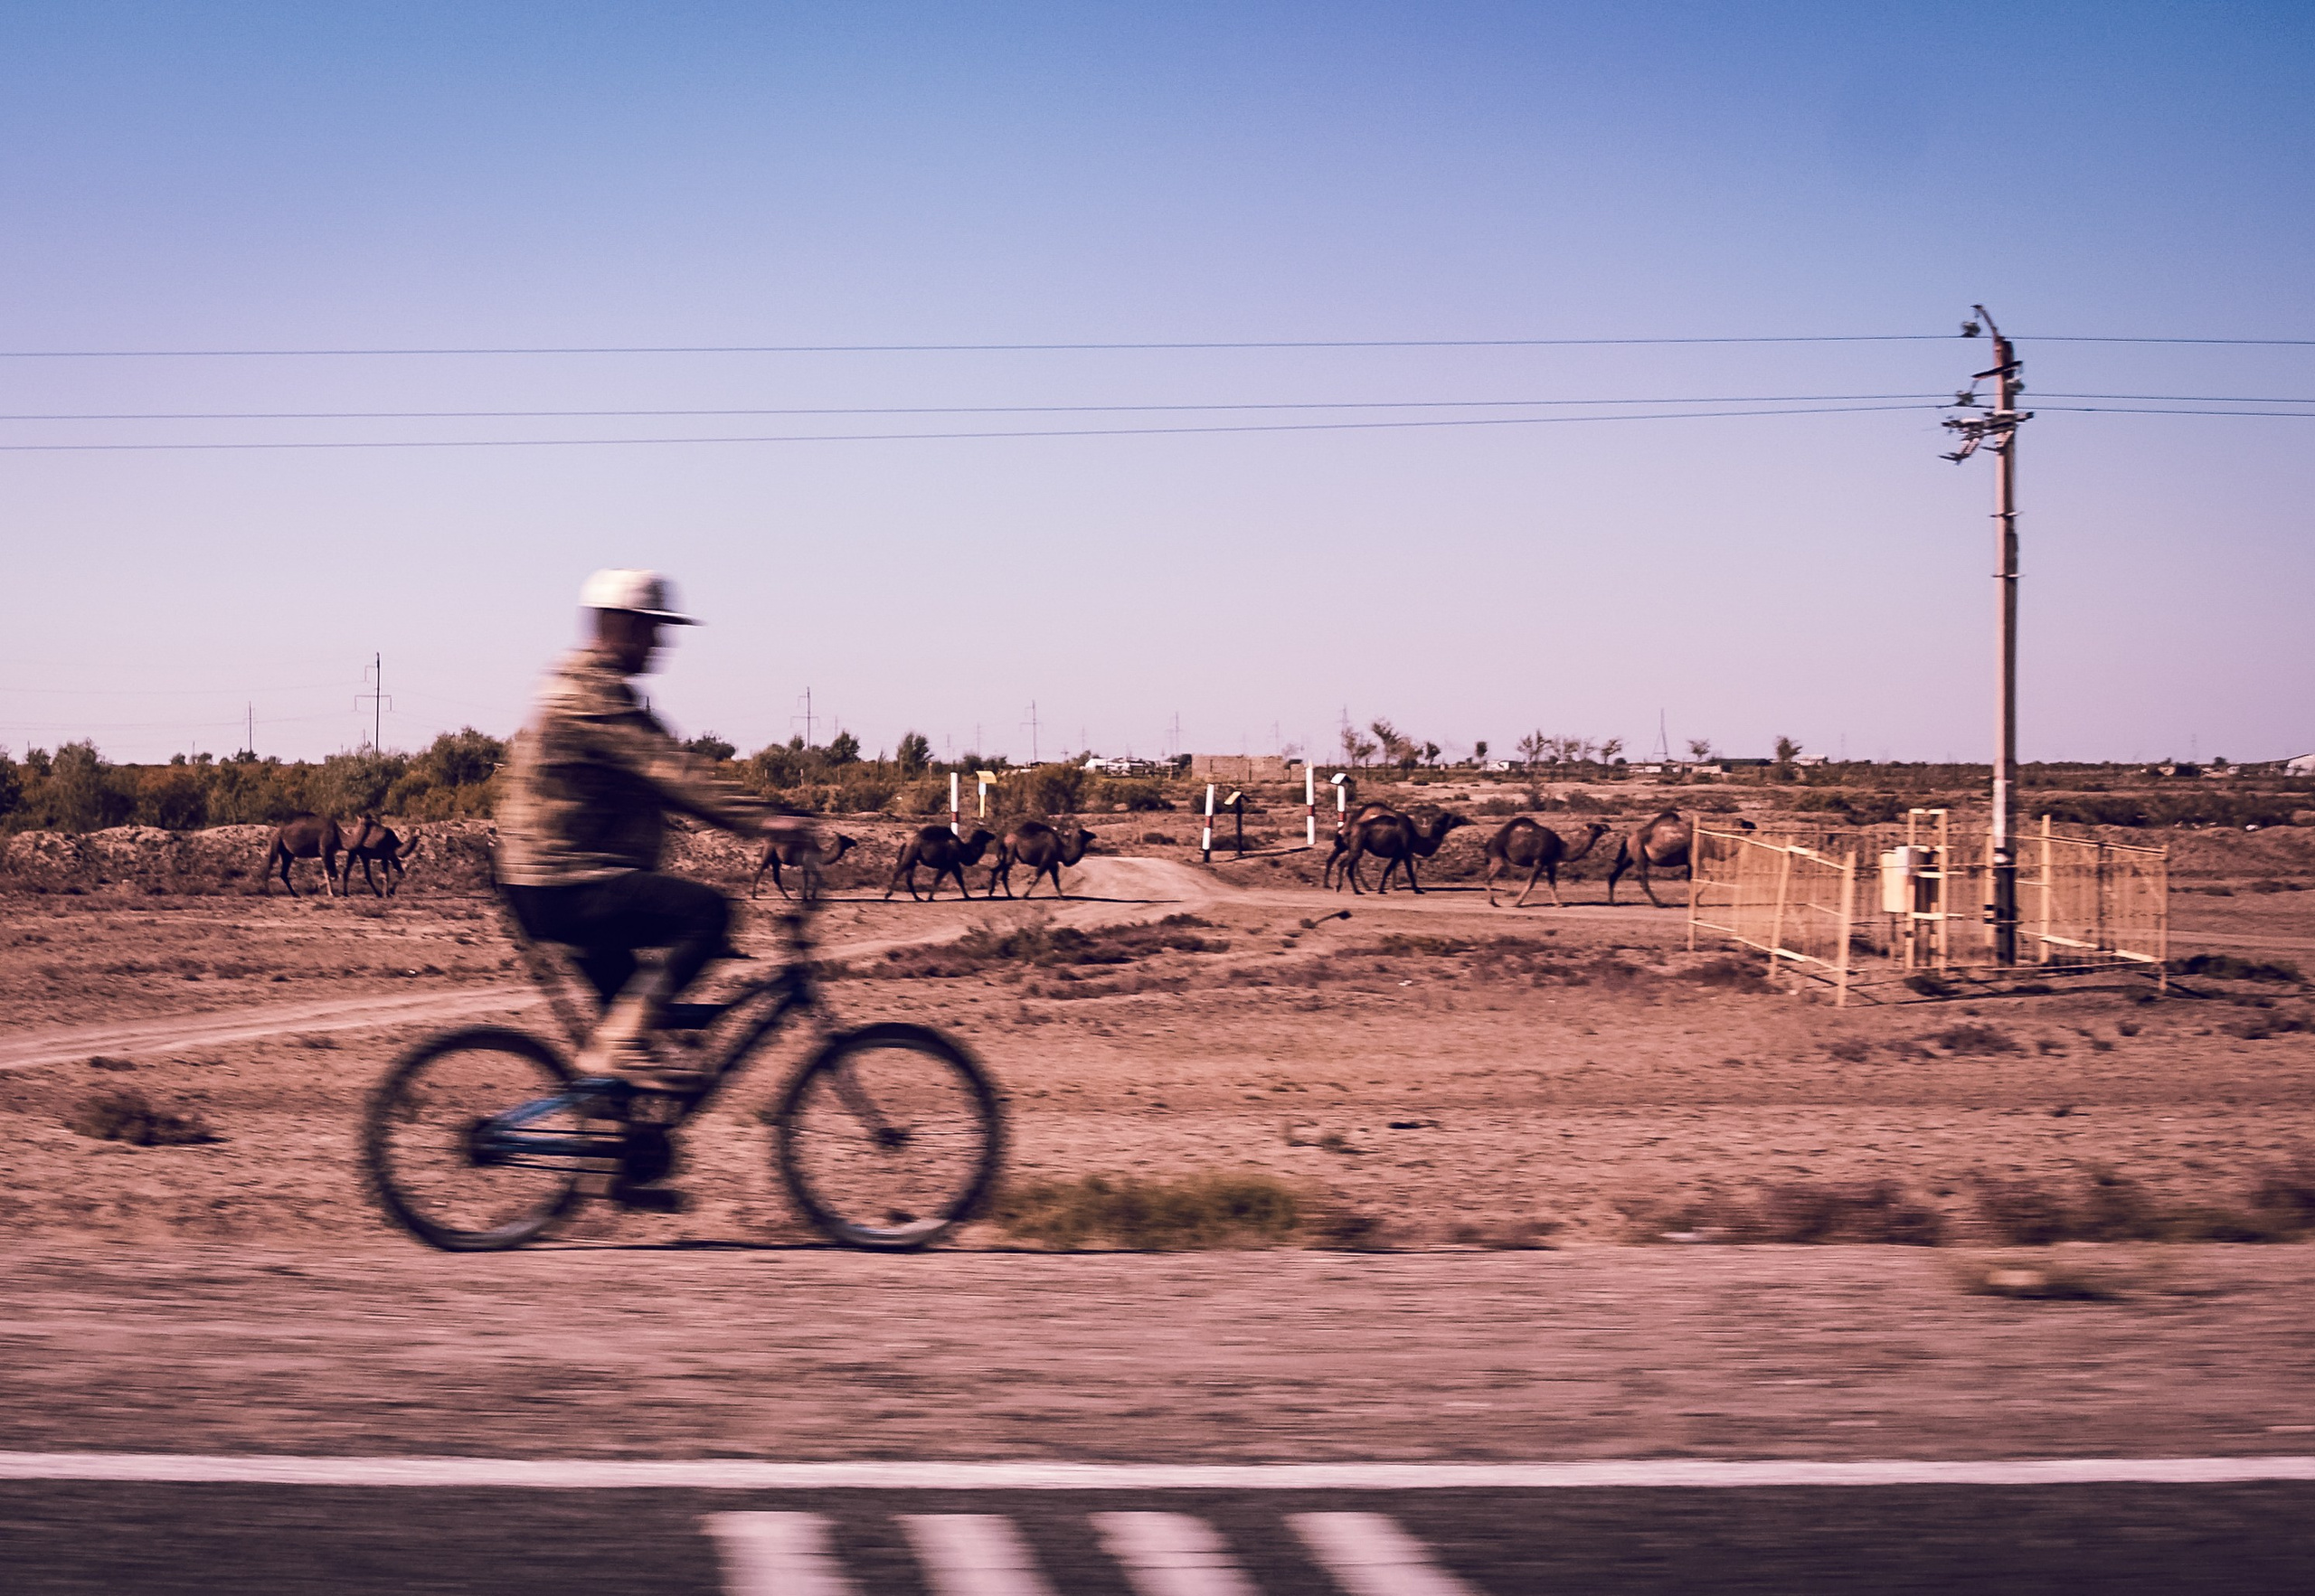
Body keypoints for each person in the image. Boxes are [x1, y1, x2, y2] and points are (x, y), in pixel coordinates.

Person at [496, 569, 814, 1091]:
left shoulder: (604, 693)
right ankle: (620, 1047)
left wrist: (770, 807)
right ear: (617, 625)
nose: (662, 642)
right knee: (706, 914)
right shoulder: (588, 696)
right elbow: (671, 773)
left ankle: (612, 1149)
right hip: (564, 881)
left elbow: (674, 767)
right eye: (651, 628)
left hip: (557, 878)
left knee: (629, 1042)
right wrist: (765, 822)